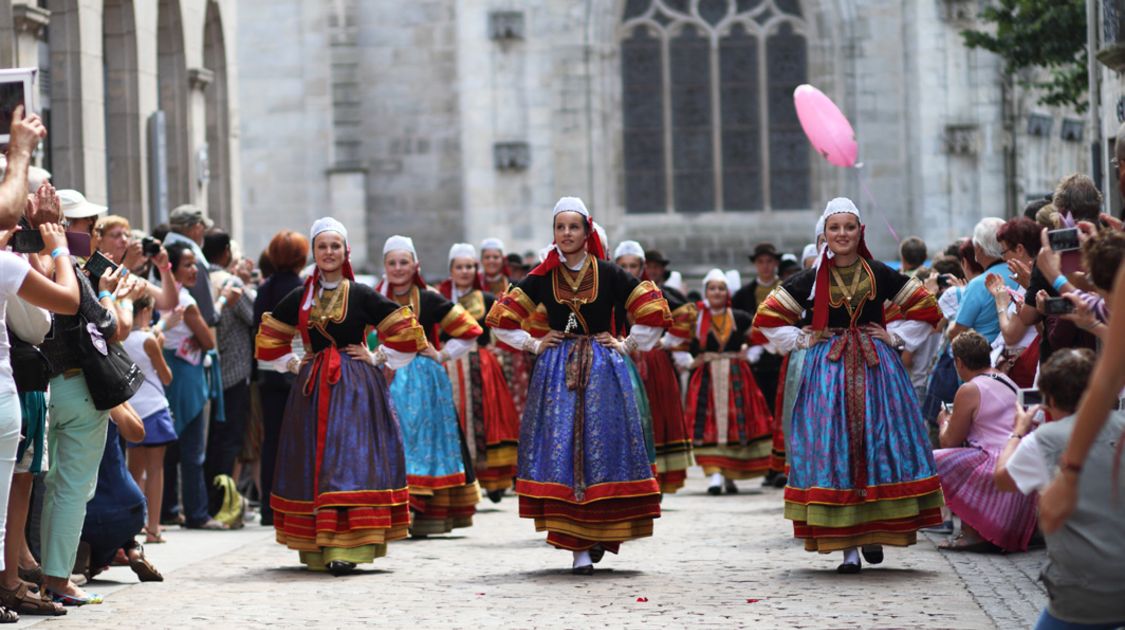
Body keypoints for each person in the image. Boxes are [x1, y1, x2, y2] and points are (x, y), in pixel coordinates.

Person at [754, 198, 944, 574]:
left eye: (849, 227)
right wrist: (804, 339)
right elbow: (767, 317)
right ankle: (848, 548)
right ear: (824, 234)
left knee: (876, 445)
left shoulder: (879, 272)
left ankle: (872, 530)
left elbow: (927, 309)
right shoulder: (809, 280)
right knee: (836, 449)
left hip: (877, 373)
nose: (842, 234)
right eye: (835, 228)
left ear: (860, 232)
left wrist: (896, 338)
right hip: (830, 373)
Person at [486, 196, 671, 574]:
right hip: (557, 372)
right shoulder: (542, 276)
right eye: (560, 227)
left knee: (603, 448)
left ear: (587, 232)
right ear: (553, 233)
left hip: (604, 370)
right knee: (563, 452)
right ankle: (577, 547)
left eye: (574, 227)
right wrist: (535, 343)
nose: (566, 233)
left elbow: (652, 308)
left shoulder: (608, 272)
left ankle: (602, 530)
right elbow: (503, 318)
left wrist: (628, 344)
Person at [255, 218, 426, 574]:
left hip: (354, 389)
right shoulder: (302, 295)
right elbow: (269, 338)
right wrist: (292, 364)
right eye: (323, 247)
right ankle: (321, 547)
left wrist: (377, 356)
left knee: (351, 458)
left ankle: (350, 546)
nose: (329, 252)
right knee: (316, 462)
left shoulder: (361, 293)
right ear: (314, 253)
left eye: (335, 246)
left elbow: (405, 330)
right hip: (314, 389)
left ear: (345, 251)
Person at [994, 349, 1125, 629]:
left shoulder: (1044, 440)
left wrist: (1019, 431)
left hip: (1081, 590)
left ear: (1048, 398)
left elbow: (1002, 479)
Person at [378, 235, 483, 537]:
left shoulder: (428, 298)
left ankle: (418, 509)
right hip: (386, 377)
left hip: (423, 381)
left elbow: (470, 329)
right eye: (392, 263)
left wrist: (442, 354)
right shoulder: (373, 296)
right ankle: (397, 507)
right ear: (385, 266)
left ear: (415, 265)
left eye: (404, 262)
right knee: (393, 440)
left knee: (421, 444)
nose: (398, 268)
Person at [0, 220, 78, 617]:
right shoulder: (7, 263)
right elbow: (55, 310)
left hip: (21, 380)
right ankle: (9, 581)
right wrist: (58, 249)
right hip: (16, 380)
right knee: (15, 485)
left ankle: (15, 573)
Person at [673, 269, 773, 495]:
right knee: (706, 423)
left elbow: (759, 337)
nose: (716, 292)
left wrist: (750, 355)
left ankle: (729, 473)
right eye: (712, 288)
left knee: (736, 422)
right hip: (705, 376)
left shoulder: (739, 317)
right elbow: (679, 341)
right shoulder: (695, 318)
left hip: (736, 375)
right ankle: (714, 474)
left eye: (721, 288)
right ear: (706, 291)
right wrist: (690, 362)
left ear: (727, 292)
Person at [931, 331, 1034, 552]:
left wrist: (943, 421)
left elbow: (949, 441)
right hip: (1020, 457)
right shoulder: (1005, 378)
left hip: (997, 459)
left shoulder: (969, 388)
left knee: (932, 460)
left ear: (959, 362)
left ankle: (971, 534)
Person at [438, 243, 520, 503]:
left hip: (480, 363)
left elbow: (497, 329)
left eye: (469, 267)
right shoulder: (440, 298)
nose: (464, 271)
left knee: (486, 419)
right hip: (448, 362)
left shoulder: (485, 299)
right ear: (451, 270)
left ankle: (492, 479)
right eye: (459, 267)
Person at [614, 241, 692, 494]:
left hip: (651, 360)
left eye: (633, 265)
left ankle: (654, 478)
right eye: (623, 265)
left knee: (654, 415)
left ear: (641, 267)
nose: (628, 270)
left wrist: (667, 341)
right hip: (617, 358)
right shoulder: (609, 292)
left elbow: (685, 314)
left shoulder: (652, 292)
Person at [159, 243, 224, 530]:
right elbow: (209, 341)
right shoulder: (186, 302)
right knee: (193, 449)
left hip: (166, 372)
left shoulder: (159, 297)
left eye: (194, 264)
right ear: (171, 267)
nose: (194, 270)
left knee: (169, 447)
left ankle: (169, 509)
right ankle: (197, 512)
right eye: (188, 264)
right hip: (187, 376)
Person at [253, 230, 309, 527]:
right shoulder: (303, 290)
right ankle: (297, 501)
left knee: (271, 438)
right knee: (301, 438)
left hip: (267, 371)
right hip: (298, 368)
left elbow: (256, 329)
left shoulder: (265, 289)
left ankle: (268, 507)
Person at [77, 407, 162, 583]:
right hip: (129, 508)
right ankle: (133, 548)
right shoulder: (107, 394)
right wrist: (118, 396)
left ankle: (87, 558)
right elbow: (138, 433)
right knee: (115, 529)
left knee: (79, 531)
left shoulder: (60, 395)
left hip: (83, 513)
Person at [202, 229, 256, 492]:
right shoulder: (231, 282)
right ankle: (220, 501)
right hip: (233, 373)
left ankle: (206, 501)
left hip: (205, 372)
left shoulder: (198, 278)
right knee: (228, 441)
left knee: (208, 442)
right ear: (225, 252)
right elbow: (256, 317)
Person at [123, 295, 177, 543]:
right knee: (156, 470)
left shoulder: (121, 338)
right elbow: (166, 377)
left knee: (134, 472)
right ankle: (153, 529)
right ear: (145, 311)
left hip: (131, 410)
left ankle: (132, 527)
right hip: (154, 408)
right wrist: (160, 344)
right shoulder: (148, 340)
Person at [731, 243, 785, 422]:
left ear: (776, 263)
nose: (765, 266)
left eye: (769, 261)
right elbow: (735, 326)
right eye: (761, 261)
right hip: (755, 358)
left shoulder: (788, 289)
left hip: (782, 353)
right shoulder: (742, 294)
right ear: (755, 264)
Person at [948, 217, 1019, 343]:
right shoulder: (1021, 272)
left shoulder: (979, 284)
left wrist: (949, 327)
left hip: (987, 356)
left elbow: (956, 331)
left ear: (979, 248)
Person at [164, 205, 218, 325]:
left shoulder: (162, 252)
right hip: (186, 336)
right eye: (204, 228)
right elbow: (207, 315)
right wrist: (224, 300)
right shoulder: (194, 258)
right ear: (197, 227)